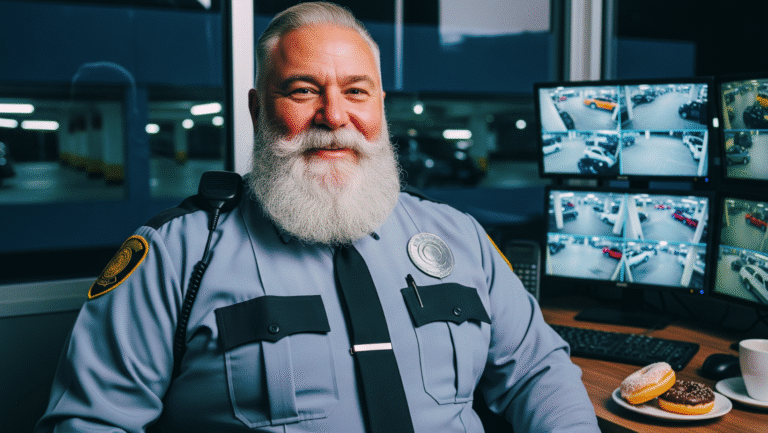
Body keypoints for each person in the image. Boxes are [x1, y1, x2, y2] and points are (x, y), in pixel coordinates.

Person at [36, 2, 600, 432]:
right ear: (258, 111)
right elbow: (90, 421)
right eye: (303, 90)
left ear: (379, 107)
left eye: (356, 91)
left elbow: (537, 372)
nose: (334, 115)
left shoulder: (461, 237)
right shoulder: (175, 256)